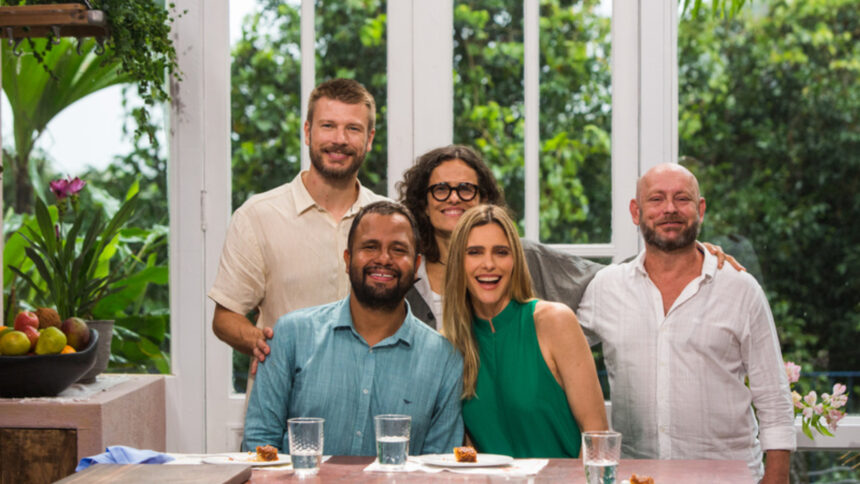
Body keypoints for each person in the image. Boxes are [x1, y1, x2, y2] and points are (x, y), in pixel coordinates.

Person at [576, 163, 795, 483]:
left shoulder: (739, 288)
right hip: (637, 476)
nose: (669, 209)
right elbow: (557, 355)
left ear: (700, 209)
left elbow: (773, 397)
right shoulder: (605, 288)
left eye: (682, 199)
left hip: (729, 477)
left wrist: (776, 478)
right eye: (656, 199)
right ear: (636, 211)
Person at [397, 144, 742, 329]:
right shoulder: (408, 271)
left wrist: (684, 254)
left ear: (485, 199)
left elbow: (611, 279)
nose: (454, 198)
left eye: (466, 189)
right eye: (441, 189)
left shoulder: (522, 257)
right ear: (422, 202)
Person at [243, 201, 463, 455]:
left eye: (398, 249)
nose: (383, 259)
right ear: (348, 260)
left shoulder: (445, 359)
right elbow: (260, 445)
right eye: (370, 247)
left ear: (415, 267)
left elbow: (439, 471)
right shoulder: (291, 335)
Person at [208, 78, 387, 379]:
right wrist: (262, 344)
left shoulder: (387, 220)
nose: (339, 139)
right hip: (285, 406)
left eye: (353, 129)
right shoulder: (258, 216)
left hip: (370, 401)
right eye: (328, 126)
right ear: (308, 132)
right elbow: (225, 317)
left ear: (369, 139)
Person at [442, 204, 608, 458]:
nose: (489, 264)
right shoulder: (449, 343)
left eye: (501, 252)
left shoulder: (554, 322)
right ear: (457, 262)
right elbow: (466, 449)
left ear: (515, 260)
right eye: (474, 252)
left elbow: (597, 436)